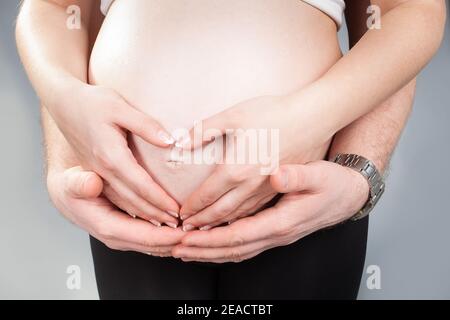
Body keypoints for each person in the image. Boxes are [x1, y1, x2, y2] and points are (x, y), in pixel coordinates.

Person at [16, 0, 445, 299]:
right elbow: (54, 9)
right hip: (133, 205)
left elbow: (404, 12)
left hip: (299, 198)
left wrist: (353, 170)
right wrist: (67, 135)